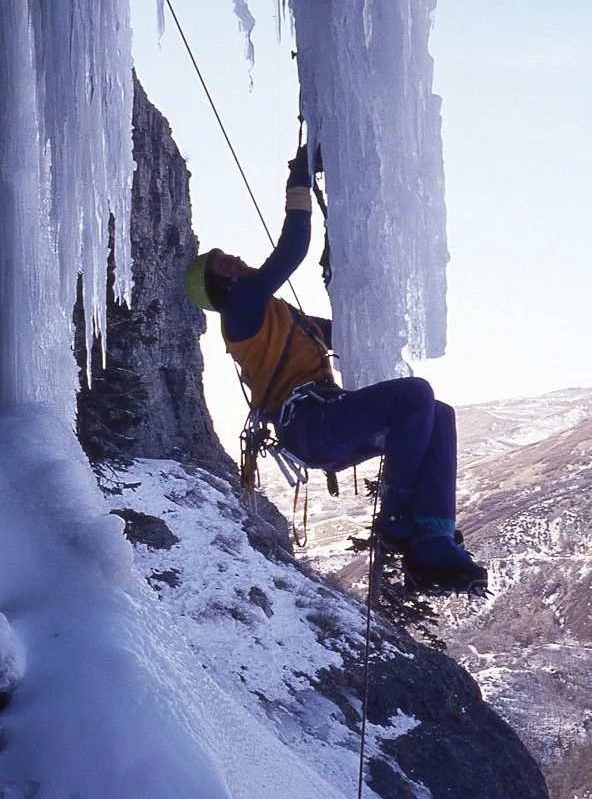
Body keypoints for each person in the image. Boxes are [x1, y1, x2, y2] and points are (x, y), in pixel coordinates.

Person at [184, 145, 487, 595]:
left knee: (438, 413)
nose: (235, 259)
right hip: (311, 425)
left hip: (327, 428)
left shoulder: (279, 315)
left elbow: (345, 333)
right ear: (220, 284)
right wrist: (298, 182)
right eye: (223, 262)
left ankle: (433, 537)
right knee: (415, 395)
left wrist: (361, 284)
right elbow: (290, 252)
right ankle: (398, 515)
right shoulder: (241, 308)